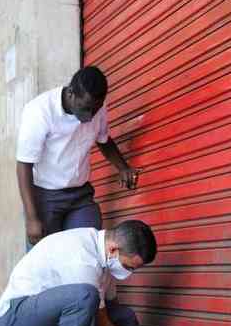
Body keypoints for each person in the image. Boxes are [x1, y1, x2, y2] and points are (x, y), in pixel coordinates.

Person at [0, 220, 175, 326]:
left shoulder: (105, 258)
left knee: (121, 315)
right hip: (14, 322)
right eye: (128, 266)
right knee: (85, 297)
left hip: (46, 319)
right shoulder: (82, 258)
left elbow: (112, 312)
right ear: (113, 249)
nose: (128, 273)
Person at [17, 66, 140, 247]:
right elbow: (24, 165)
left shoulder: (97, 106)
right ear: (71, 93)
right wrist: (32, 218)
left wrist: (123, 168)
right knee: (46, 262)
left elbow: (103, 140)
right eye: (85, 108)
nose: (90, 116)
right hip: (46, 198)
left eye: (95, 109)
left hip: (80, 196)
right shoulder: (40, 111)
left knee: (87, 249)